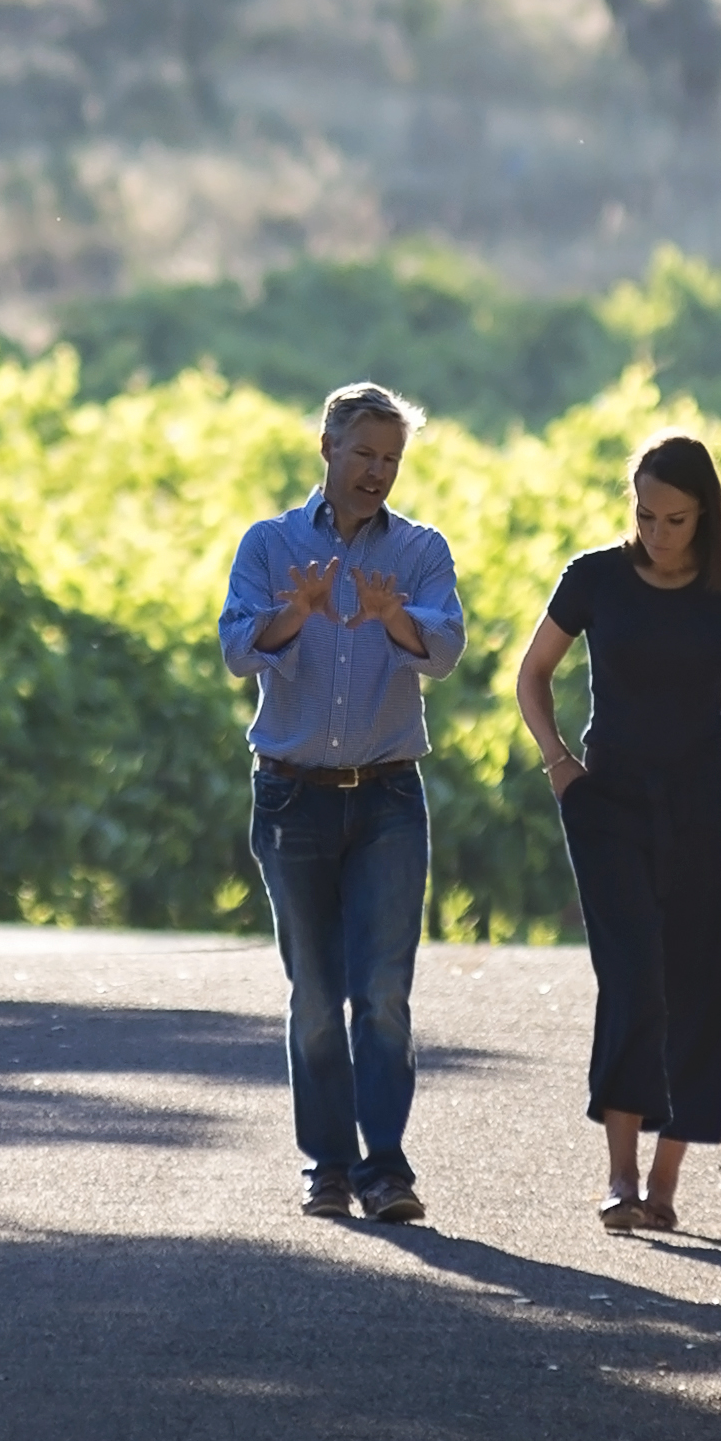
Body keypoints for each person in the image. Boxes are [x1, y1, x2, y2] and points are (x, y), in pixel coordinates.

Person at [216, 382, 464, 1224]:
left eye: (391, 459)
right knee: (316, 997)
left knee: (383, 993)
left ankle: (385, 1168)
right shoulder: (269, 544)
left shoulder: (421, 551)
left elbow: (444, 651)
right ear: (325, 447)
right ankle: (327, 1167)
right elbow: (237, 650)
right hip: (291, 799)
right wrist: (296, 612)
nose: (377, 473)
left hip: (389, 795)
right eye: (363, 454)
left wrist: (394, 620)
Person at [518, 428, 721, 1233]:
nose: (656, 534)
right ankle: (619, 1178)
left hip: (706, 800)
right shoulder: (594, 578)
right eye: (645, 514)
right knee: (631, 979)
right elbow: (532, 676)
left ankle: (665, 1186)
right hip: (609, 799)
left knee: (703, 983)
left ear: (707, 517)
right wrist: (558, 763)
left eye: (676, 520)